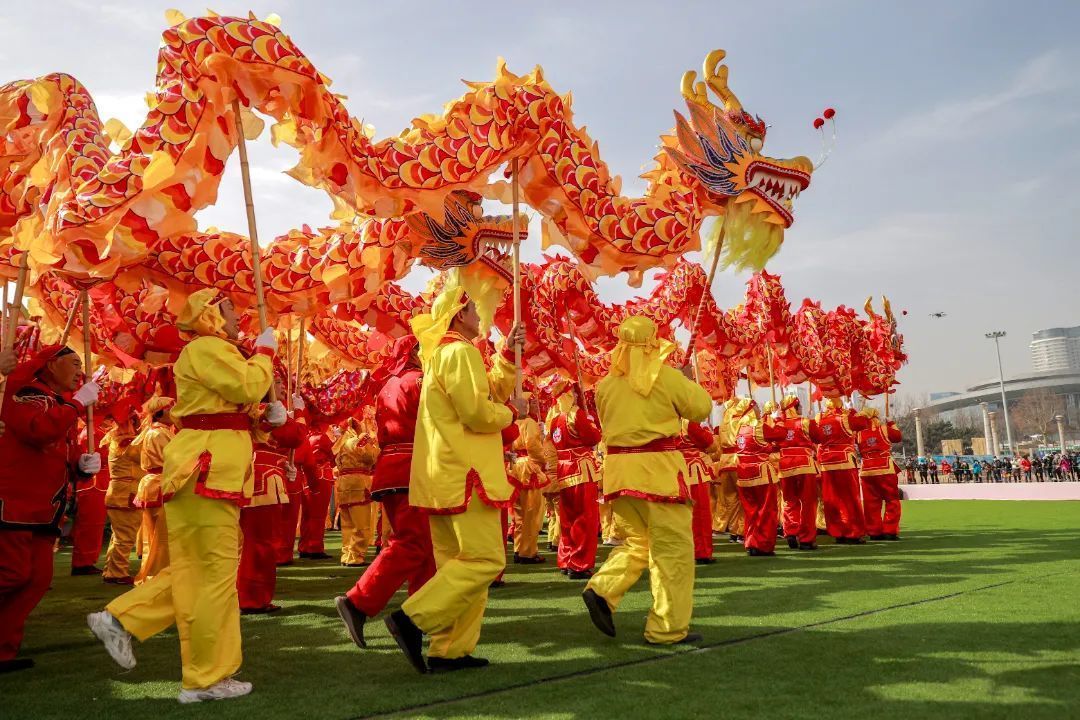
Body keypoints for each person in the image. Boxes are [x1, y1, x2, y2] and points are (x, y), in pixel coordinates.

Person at [87, 289, 278, 703]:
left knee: (198, 573)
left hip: (204, 472)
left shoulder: (211, 349)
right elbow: (245, 385)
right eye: (228, 308)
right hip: (206, 473)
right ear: (209, 314)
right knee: (212, 579)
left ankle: (121, 620)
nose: (236, 314)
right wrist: (264, 355)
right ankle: (205, 679)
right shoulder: (208, 346)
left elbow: (231, 403)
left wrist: (265, 418)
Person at [382, 280, 526, 674]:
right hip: (468, 475)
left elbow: (487, 391)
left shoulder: (442, 355)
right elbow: (478, 413)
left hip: (444, 476)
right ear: (459, 314)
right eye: (475, 310)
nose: (481, 316)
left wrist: (508, 356)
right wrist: (513, 414)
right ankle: (413, 619)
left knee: (456, 569)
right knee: (484, 560)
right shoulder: (460, 352)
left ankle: (449, 650)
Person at [582, 316, 712, 645]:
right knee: (672, 554)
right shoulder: (667, 377)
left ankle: (602, 589)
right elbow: (701, 408)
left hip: (620, 474)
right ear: (653, 342)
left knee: (637, 544)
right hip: (659, 474)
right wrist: (688, 380)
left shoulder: (606, 385)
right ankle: (666, 629)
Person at [0, 345, 100, 673]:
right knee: (11, 575)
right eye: (73, 363)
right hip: (14, 504)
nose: (78, 370)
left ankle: (3, 650)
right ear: (52, 364)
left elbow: (53, 452)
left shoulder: (56, 401)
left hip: (43, 509)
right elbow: (38, 431)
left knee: (37, 579)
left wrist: (81, 465)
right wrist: (76, 403)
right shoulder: (28, 392)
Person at [336, 336, 435, 649]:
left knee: (423, 547)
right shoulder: (418, 381)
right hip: (413, 468)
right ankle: (359, 601)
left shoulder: (388, 385)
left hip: (390, 469)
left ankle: (420, 617)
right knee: (414, 544)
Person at [238, 376, 306, 614]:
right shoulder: (264, 409)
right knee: (260, 544)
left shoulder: (253, 409)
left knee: (253, 543)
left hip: (260, 475)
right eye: (275, 382)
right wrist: (299, 414)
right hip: (263, 481)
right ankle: (252, 598)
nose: (280, 387)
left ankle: (251, 595)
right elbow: (296, 436)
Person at [547, 384, 603, 579]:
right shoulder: (576, 415)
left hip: (564, 470)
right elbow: (593, 437)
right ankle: (580, 563)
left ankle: (566, 559)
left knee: (567, 518)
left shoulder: (555, 419)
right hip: (581, 468)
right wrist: (592, 424)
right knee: (585, 518)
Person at [733, 398, 787, 556]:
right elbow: (780, 434)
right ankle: (763, 544)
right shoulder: (758, 426)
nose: (758, 408)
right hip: (761, 473)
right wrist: (777, 418)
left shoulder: (739, 428)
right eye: (755, 405)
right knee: (766, 510)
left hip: (743, 474)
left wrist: (768, 448)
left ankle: (751, 542)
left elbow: (754, 447)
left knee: (751, 511)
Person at [772, 394, 824, 551]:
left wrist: (775, 421)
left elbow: (773, 444)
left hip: (785, 466)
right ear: (795, 407)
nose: (801, 408)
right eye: (799, 406)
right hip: (804, 465)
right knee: (808, 502)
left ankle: (791, 532)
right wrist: (813, 421)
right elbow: (819, 437)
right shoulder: (804, 422)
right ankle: (807, 539)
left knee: (789, 501)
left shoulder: (779, 424)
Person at [816, 397, 871, 543]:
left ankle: (837, 531)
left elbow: (815, 438)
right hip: (844, 461)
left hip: (826, 463)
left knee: (831, 499)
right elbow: (864, 423)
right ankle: (852, 532)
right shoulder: (845, 418)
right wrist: (852, 410)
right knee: (850, 498)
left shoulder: (820, 419)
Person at [132, 396, 175, 584]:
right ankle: (159, 577)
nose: (175, 411)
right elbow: (175, 460)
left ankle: (155, 576)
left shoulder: (158, 431)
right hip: (160, 483)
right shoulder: (159, 434)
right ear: (161, 412)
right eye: (171, 408)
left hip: (155, 483)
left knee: (156, 537)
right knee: (162, 538)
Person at [101, 401, 144, 585]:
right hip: (125, 494)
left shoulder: (118, 440)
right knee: (125, 536)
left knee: (118, 535)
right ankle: (117, 573)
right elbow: (144, 458)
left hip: (119, 492)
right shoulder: (127, 443)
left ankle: (111, 571)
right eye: (135, 421)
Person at [334, 411, 380, 567]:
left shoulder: (340, 444)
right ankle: (355, 556)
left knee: (347, 523)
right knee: (361, 523)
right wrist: (367, 438)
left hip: (343, 484)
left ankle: (347, 554)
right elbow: (370, 457)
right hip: (358, 483)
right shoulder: (356, 441)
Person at [509, 393, 550, 564]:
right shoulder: (529, 423)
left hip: (513, 466)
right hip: (528, 467)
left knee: (518, 513)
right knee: (531, 513)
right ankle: (528, 551)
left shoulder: (509, 424)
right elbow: (534, 446)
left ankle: (519, 548)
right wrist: (543, 462)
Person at [855, 408, 903, 541]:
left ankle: (874, 531)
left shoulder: (858, 434)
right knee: (892, 500)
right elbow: (898, 437)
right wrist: (891, 422)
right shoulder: (884, 429)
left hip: (867, 470)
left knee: (871, 503)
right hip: (884, 468)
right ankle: (890, 530)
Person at [680, 419, 718, 564]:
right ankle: (701, 551)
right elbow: (709, 443)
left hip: (670, 468)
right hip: (692, 470)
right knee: (700, 512)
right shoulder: (688, 422)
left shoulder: (662, 417)